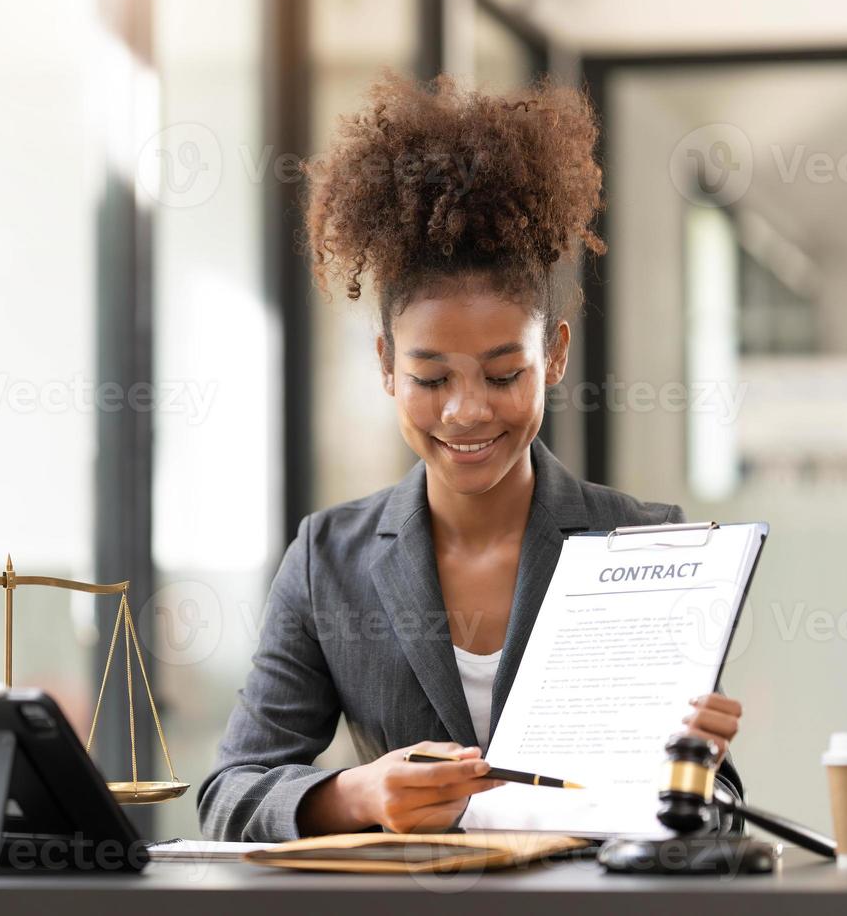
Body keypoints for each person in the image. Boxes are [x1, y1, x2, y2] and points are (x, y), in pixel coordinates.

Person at [197, 73, 743, 843]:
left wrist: (699, 763)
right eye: (429, 378)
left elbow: (707, 818)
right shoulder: (330, 560)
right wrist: (356, 795)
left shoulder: (647, 545)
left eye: (502, 373)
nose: (466, 410)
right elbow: (231, 792)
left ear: (552, 355)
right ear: (386, 365)